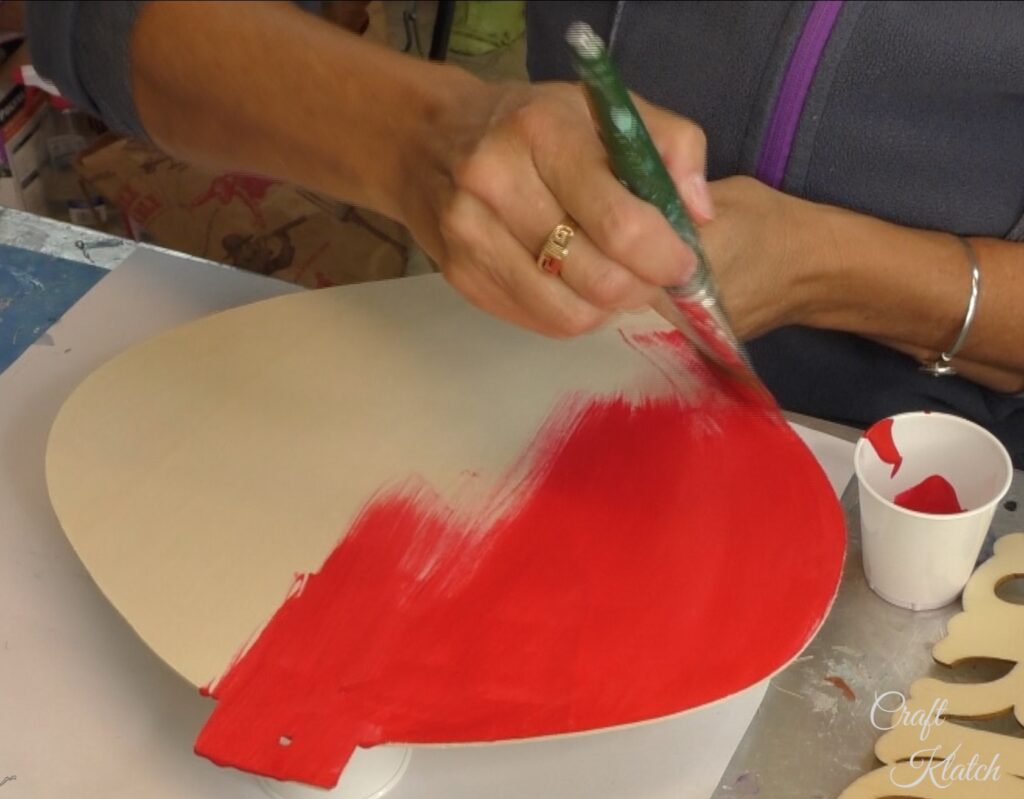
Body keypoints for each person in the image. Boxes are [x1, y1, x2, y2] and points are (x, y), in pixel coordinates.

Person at [26, 1, 1024, 465]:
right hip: (519, 416)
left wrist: (820, 269)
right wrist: (423, 137)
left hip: (938, 508)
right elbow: (103, 20)